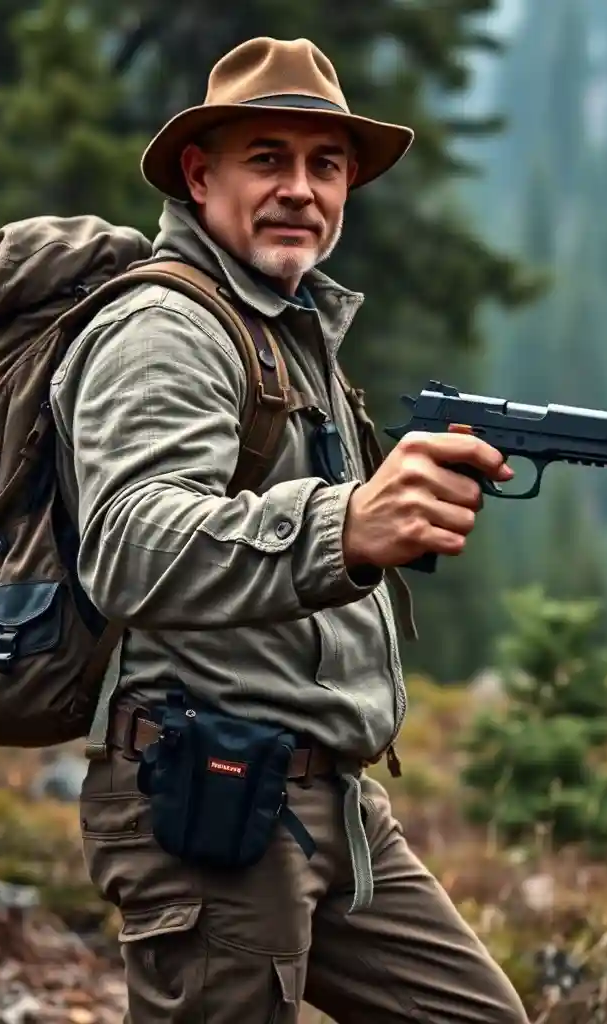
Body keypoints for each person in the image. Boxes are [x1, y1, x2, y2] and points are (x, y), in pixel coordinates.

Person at [49, 35, 528, 1024]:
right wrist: (345, 524)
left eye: (326, 164)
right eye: (266, 157)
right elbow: (132, 543)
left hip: (331, 802)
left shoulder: (288, 327)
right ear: (200, 174)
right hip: (207, 792)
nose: (301, 189)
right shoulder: (166, 330)